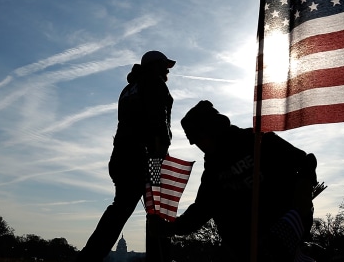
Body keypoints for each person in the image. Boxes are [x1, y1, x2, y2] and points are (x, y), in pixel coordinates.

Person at [167, 100, 319, 261]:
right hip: (246, 248)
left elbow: (306, 161)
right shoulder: (213, 172)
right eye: (194, 142)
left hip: (284, 229)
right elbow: (201, 210)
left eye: (199, 138)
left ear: (212, 129)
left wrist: (305, 184)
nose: (199, 145)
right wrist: (173, 227)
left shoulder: (258, 141)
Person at [77, 50, 176, 262]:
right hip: (147, 156)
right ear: (154, 66)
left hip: (121, 155)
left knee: (120, 210)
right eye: (164, 65)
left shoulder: (128, 88)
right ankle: (160, 259)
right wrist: (159, 156)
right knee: (157, 211)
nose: (167, 70)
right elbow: (158, 121)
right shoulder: (154, 83)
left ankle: (88, 257)